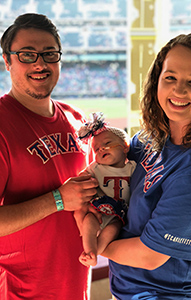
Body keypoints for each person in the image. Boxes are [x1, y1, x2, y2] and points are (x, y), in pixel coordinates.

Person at [102, 33, 191, 300]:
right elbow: (114, 176)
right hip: (126, 290)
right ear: (157, 80)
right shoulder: (149, 138)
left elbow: (150, 255)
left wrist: (96, 246)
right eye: (170, 77)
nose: (179, 91)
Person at [0, 13, 99, 299]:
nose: (40, 63)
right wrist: (57, 199)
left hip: (75, 286)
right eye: (27, 55)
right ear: (8, 61)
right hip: (22, 292)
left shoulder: (75, 118)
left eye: (49, 54)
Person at [74, 113, 136, 267]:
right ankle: (89, 250)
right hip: (97, 211)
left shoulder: (133, 168)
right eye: (96, 150)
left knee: (113, 228)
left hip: (118, 214)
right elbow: (81, 178)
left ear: (125, 146)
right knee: (88, 221)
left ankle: (95, 252)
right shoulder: (96, 168)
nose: (101, 149)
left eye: (107, 143)